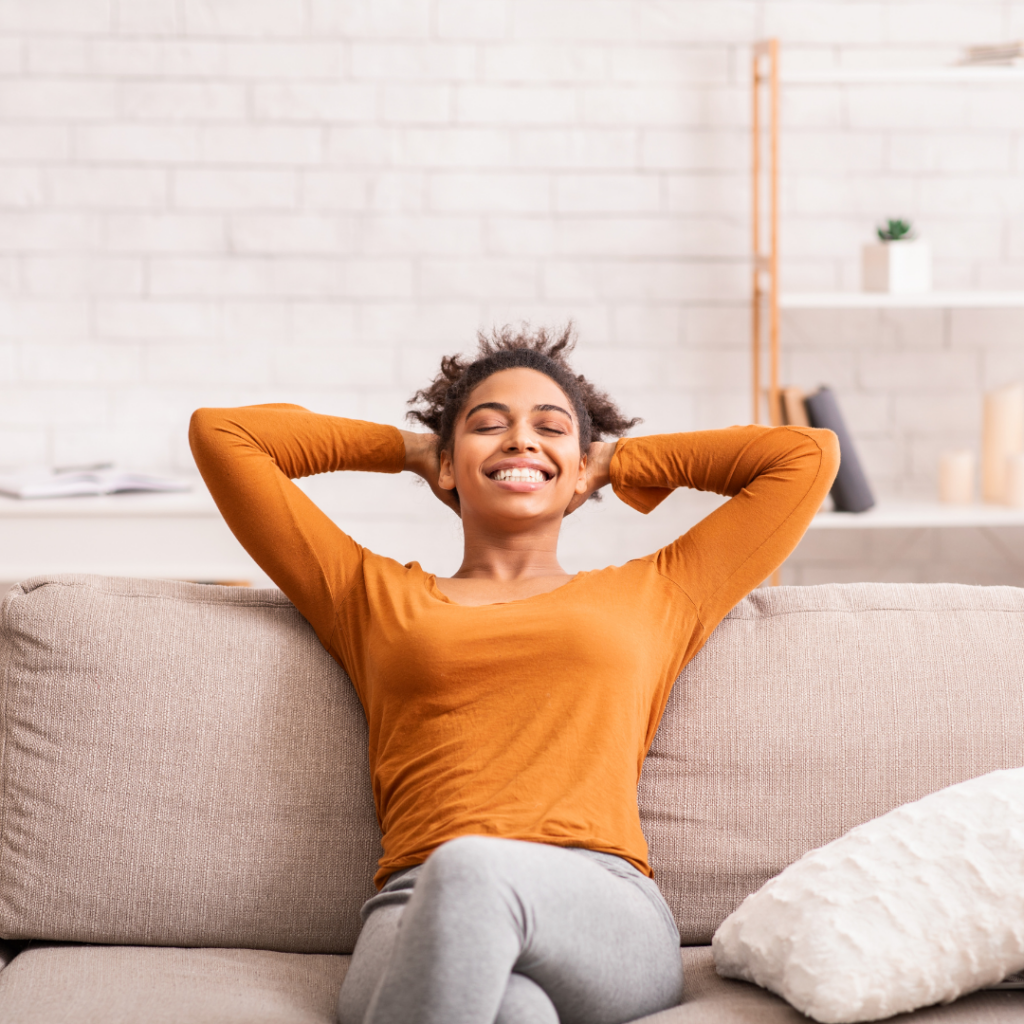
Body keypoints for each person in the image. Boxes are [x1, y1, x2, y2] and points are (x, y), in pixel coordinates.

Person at [189, 325, 839, 1024]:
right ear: (449, 464)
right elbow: (224, 436)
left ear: (581, 467)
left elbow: (804, 456)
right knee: (515, 1009)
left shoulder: (657, 592)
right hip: (414, 905)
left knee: (472, 870)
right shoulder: (368, 596)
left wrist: (612, 459)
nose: (522, 440)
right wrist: (412, 450)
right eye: (488, 426)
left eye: (549, 428)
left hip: (598, 903)